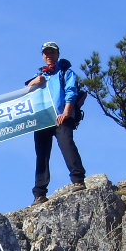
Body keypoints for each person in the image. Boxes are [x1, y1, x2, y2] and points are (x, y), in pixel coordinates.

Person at [28, 41, 86, 205]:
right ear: (43, 55)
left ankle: (78, 180)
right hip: (42, 120)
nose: (49, 55)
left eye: (52, 52)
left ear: (58, 54)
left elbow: (71, 91)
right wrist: (34, 82)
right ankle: (39, 193)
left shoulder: (66, 72)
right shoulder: (41, 75)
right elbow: (26, 94)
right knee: (42, 155)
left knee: (67, 145)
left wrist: (67, 111)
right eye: (46, 53)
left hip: (62, 116)